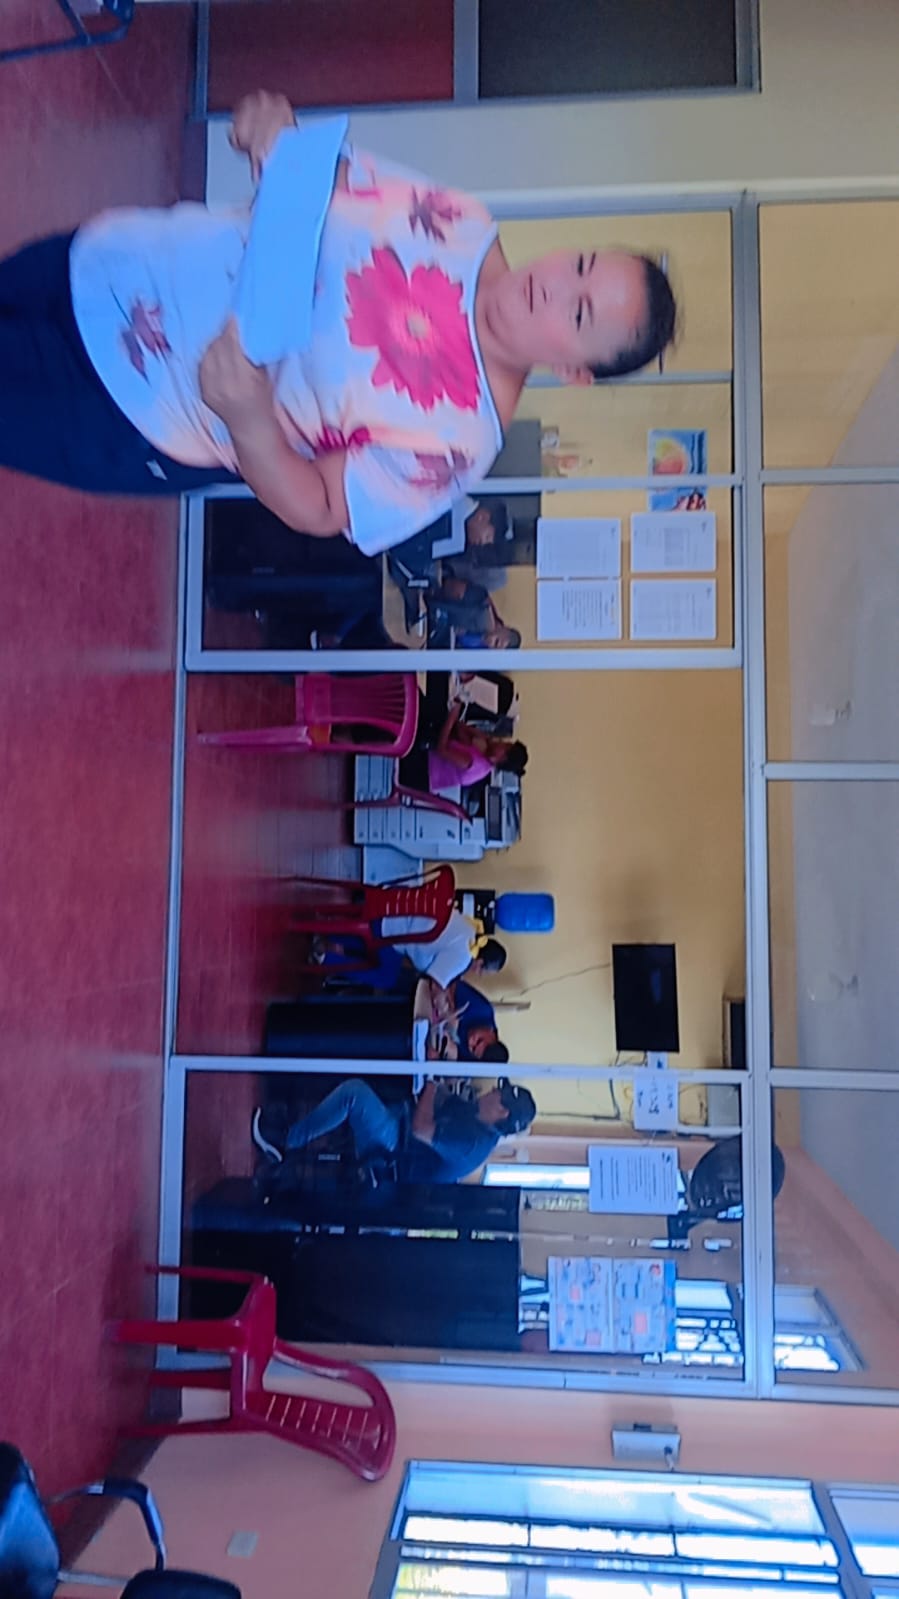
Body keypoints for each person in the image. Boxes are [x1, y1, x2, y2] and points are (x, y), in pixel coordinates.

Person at [0, 90, 677, 551]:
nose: (552, 285)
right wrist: (277, 139)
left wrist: (250, 421)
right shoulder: (463, 223)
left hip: (132, 406)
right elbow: (321, 187)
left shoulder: (459, 441)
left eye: (578, 312)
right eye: (580, 264)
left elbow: (321, 507)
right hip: (115, 260)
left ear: (573, 371)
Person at [251, 1075, 536, 1184]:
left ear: (502, 1111)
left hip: (393, 1156)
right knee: (385, 1078)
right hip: (401, 1127)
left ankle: (284, 1143)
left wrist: (432, 1082)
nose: (492, 1091)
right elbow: (443, 1101)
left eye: (498, 1094)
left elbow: (421, 1129)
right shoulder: (478, 1118)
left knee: (355, 1094)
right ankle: (299, 1124)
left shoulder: (473, 1143)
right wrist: (444, 1073)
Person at [316, 908, 506, 995]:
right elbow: (434, 983)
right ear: (480, 962)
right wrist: (443, 1006)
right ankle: (326, 958)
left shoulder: (469, 926)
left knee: (389, 952)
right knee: (387, 976)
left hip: (393, 909)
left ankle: (328, 932)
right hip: (391, 933)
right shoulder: (464, 955)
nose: (476, 973)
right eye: (481, 971)